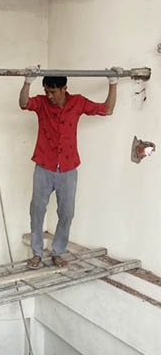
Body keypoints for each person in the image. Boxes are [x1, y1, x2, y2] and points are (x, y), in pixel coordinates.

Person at [19, 67, 119, 269]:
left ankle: (57, 252)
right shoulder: (42, 103)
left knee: (66, 213)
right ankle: (37, 253)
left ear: (64, 88)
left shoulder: (78, 102)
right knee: (37, 210)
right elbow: (23, 103)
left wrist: (113, 82)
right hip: (44, 166)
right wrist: (27, 82)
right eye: (46, 91)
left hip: (68, 168)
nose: (49, 96)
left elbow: (107, 109)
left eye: (53, 92)